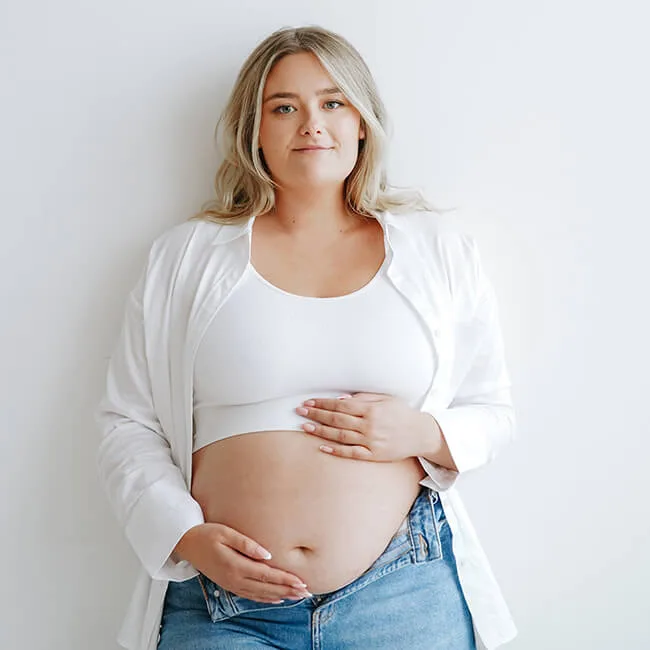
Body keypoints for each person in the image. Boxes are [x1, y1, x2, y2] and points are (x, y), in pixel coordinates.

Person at [95, 25, 518, 650]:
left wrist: (425, 434)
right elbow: (126, 421)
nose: (310, 123)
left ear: (362, 123)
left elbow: (494, 410)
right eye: (283, 107)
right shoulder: (186, 257)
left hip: (403, 591)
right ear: (255, 130)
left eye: (333, 102)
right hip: (224, 604)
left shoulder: (438, 252)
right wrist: (182, 536)